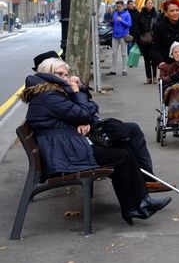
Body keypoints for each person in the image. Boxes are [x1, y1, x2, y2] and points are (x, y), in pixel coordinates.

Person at [22, 57, 171, 225]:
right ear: (48, 73)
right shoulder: (49, 96)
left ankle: (139, 202)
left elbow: (90, 110)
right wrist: (77, 95)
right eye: (60, 74)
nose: (66, 77)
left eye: (66, 74)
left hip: (66, 144)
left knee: (122, 146)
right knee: (121, 155)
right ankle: (136, 204)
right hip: (64, 152)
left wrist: (81, 100)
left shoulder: (52, 91)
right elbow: (84, 112)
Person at [138, 0, 159, 84]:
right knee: (146, 60)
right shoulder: (141, 14)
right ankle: (148, 77)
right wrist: (139, 37)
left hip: (154, 40)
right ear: (145, 4)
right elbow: (137, 27)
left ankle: (154, 77)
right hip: (144, 40)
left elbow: (159, 26)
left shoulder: (156, 15)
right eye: (148, 3)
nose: (150, 4)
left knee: (154, 59)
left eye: (151, 3)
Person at [108, 0, 132, 76]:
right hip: (115, 35)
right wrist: (111, 22)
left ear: (123, 6)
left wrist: (121, 21)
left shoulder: (127, 14)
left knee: (124, 53)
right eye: (117, 6)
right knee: (113, 53)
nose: (118, 8)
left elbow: (129, 25)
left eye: (119, 6)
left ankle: (124, 70)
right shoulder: (115, 13)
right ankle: (113, 70)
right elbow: (112, 24)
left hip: (123, 35)